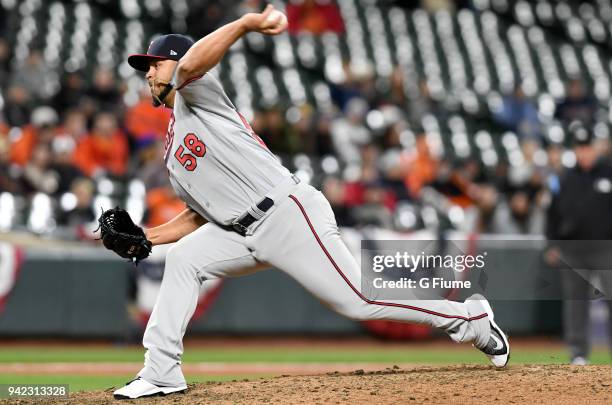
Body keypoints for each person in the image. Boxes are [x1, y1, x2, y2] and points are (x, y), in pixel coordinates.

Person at [112, 5, 509, 399]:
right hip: (241, 231)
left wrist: (247, 23)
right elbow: (198, 214)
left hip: (287, 213)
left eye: (156, 63)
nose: (148, 72)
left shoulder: (198, 95)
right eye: (146, 66)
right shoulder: (173, 147)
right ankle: (161, 372)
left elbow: (193, 64)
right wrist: (148, 237)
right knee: (184, 259)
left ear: (179, 64)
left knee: (359, 302)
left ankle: (470, 318)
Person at [546, 122, 612, 365]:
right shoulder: (565, 178)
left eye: (587, 147)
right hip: (572, 249)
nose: (584, 152)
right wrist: (552, 244)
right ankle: (578, 353)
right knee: (575, 302)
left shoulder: (609, 172)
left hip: (606, 247)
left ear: (596, 148)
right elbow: (551, 214)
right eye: (579, 147)